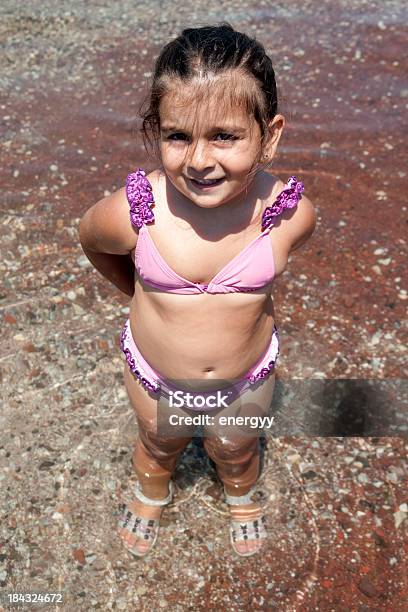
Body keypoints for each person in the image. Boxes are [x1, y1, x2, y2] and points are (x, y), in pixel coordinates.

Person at [78, 23, 316, 558]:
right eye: (178, 135)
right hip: (154, 373)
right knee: (158, 443)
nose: (200, 160)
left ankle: (242, 497)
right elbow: (91, 241)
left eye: (225, 136)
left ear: (270, 135)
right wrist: (137, 290)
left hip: (246, 374)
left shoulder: (290, 216)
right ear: (155, 131)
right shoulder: (135, 213)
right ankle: (150, 490)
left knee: (237, 446)